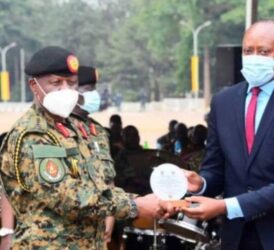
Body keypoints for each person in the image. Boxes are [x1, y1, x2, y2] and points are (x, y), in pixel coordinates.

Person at [0, 46, 174, 249]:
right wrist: (135, 206)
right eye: (56, 82)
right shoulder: (33, 134)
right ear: (34, 85)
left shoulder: (78, 128)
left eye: (71, 83)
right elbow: (70, 198)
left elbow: (98, 187)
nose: (65, 89)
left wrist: (140, 201)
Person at [182, 20, 274, 250]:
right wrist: (201, 183)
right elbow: (216, 168)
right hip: (239, 237)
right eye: (248, 51)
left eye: (264, 51)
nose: (254, 57)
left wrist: (224, 207)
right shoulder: (223, 102)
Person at [70, 65, 117, 247]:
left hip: (98, 233)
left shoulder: (98, 131)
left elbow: (108, 179)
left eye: (94, 89)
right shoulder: (58, 131)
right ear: (73, 93)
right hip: (68, 233)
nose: (94, 95)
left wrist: (110, 218)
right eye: (88, 90)